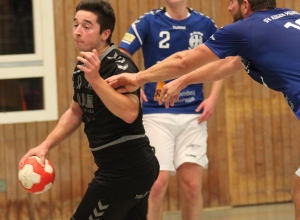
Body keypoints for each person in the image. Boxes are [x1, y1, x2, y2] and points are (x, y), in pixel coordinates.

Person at [106, 0, 300, 219]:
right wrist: (182, 82)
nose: (228, 7)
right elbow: (228, 64)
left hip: (191, 114)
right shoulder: (288, 16)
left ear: (245, 6)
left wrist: (138, 77)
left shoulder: (245, 28)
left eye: (232, 2)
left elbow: (182, 61)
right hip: (156, 113)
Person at [19, 1, 159, 219]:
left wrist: (96, 80)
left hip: (126, 170)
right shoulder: (82, 67)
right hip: (122, 169)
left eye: (86, 26)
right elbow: (76, 112)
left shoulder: (118, 64)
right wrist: (45, 145)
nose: (77, 32)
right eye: (75, 25)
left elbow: (131, 112)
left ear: (105, 33)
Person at [118, 1, 223, 219]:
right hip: (156, 114)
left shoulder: (204, 23)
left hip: (193, 113)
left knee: (192, 185)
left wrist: (213, 97)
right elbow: (121, 54)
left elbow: (224, 59)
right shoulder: (148, 21)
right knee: (156, 184)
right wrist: (134, 86)